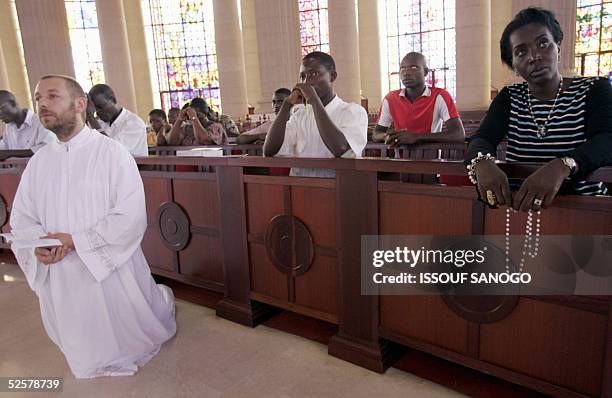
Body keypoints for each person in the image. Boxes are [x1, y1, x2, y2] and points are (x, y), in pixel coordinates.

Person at [9, 75, 176, 378]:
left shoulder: (112, 154)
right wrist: (38, 246)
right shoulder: (39, 162)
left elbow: (130, 215)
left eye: (52, 96)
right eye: (38, 98)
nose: (42, 104)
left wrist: (75, 240)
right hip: (59, 269)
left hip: (105, 266)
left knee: (128, 332)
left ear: (80, 104)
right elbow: (23, 216)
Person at [466, 7, 611, 212]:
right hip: (521, 208)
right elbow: (482, 138)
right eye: (521, 52)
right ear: (514, 65)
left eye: (543, 44)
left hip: (583, 207)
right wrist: (481, 163)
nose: (534, 56)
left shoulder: (594, 89)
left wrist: (563, 165)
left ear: (558, 47)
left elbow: (606, 140)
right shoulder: (510, 97)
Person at [263, 51, 368, 178]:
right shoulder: (299, 116)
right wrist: (286, 106)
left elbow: (341, 149)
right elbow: (269, 150)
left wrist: (315, 101)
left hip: (336, 189)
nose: (306, 82)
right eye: (302, 77)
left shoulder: (353, 112)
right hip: (299, 188)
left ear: (332, 76)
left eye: (314, 74)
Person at [372, 52, 465, 147]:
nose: (406, 73)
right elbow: (376, 134)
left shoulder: (439, 96)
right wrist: (388, 136)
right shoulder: (390, 98)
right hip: (400, 158)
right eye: (402, 68)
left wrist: (417, 137)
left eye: (413, 68)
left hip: (432, 158)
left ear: (425, 72)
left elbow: (458, 134)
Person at [89, 84, 148, 156]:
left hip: (134, 166)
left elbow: (113, 150)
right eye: (94, 109)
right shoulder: (101, 123)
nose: (98, 112)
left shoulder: (134, 123)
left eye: (100, 107)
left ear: (113, 99)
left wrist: (91, 118)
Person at [0, 90, 55, 154]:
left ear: (13, 104)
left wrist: (10, 153)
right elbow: (5, 149)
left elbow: (46, 148)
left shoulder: (42, 121)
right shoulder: (9, 127)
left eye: (0, 109)